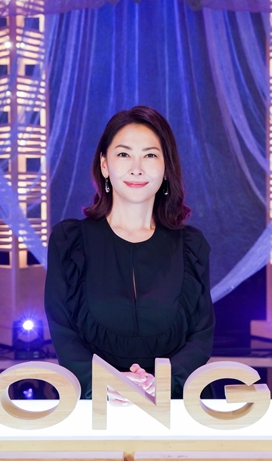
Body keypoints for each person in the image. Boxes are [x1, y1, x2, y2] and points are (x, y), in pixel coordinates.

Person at [45, 105, 215, 402]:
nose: (137, 168)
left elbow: (201, 337)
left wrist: (161, 382)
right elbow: (63, 333)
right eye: (124, 154)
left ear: (166, 167)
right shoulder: (69, 241)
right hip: (96, 407)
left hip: (176, 405)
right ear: (104, 165)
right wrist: (108, 384)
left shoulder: (191, 245)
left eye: (150, 155)